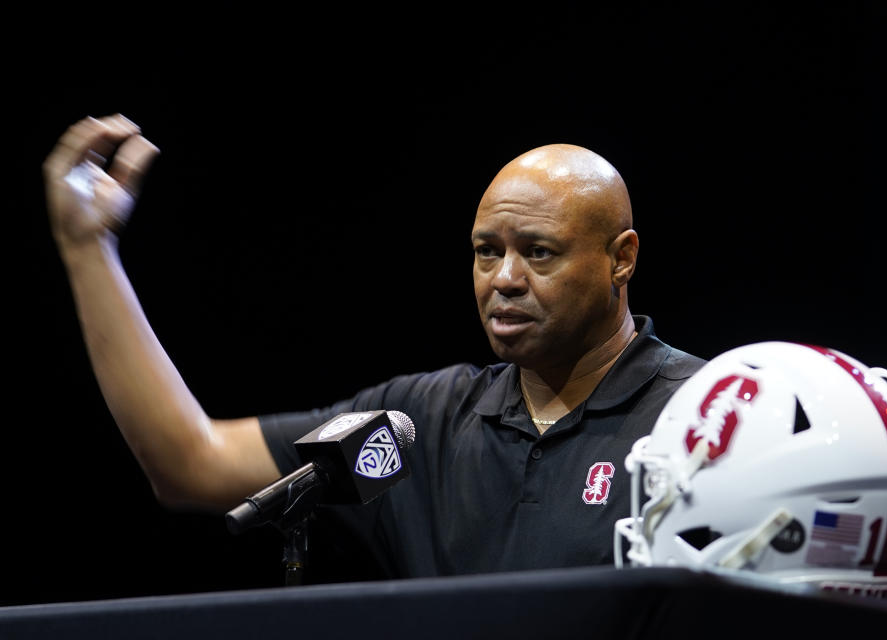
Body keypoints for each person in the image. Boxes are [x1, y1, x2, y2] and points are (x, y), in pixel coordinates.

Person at [43, 114, 705, 580]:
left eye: (538, 253)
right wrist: (88, 250)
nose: (504, 279)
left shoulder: (706, 416)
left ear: (621, 260)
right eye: (486, 252)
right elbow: (188, 460)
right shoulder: (417, 425)